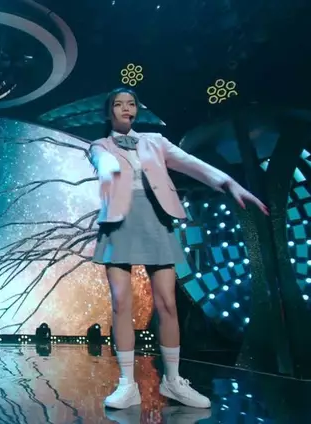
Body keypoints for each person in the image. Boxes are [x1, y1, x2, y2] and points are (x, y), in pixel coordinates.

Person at [89, 88, 268, 410]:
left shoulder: (155, 141)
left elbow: (192, 164)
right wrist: (108, 170)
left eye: (131, 104)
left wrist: (229, 183)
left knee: (168, 303)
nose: (126, 108)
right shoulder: (100, 145)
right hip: (119, 221)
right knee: (121, 303)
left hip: (157, 218)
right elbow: (102, 161)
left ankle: (173, 379)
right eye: (118, 104)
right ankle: (127, 384)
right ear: (108, 112)